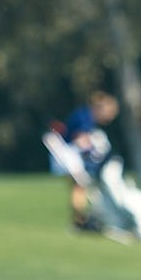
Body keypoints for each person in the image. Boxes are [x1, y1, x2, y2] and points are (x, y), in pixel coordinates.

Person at [51, 91, 119, 232]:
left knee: (80, 187)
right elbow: (79, 139)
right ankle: (79, 220)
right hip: (68, 153)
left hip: (70, 154)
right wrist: (96, 147)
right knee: (80, 186)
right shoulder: (86, 117)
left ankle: (79, 219)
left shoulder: (86, 115)